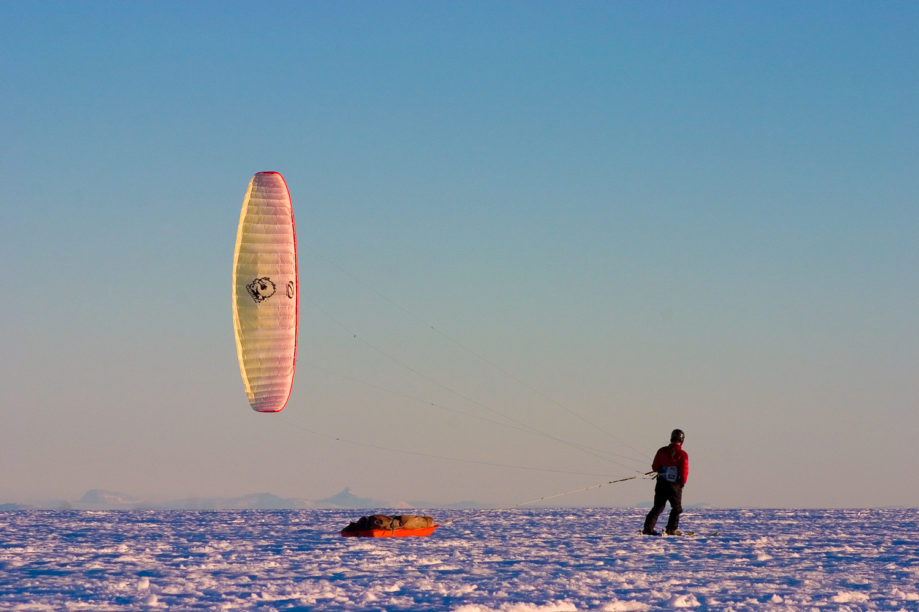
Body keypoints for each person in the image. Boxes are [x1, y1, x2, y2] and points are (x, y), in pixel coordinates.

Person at [642, 428, 689, 536]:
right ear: (682, 440)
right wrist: (682, 482)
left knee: (658, 507)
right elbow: (684, 471)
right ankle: (671, 529)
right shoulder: (682, 454)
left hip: (661, 484)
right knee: (676, 508)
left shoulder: (661, 451)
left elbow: (655, 467)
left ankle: (647, 529)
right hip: (674, 485)